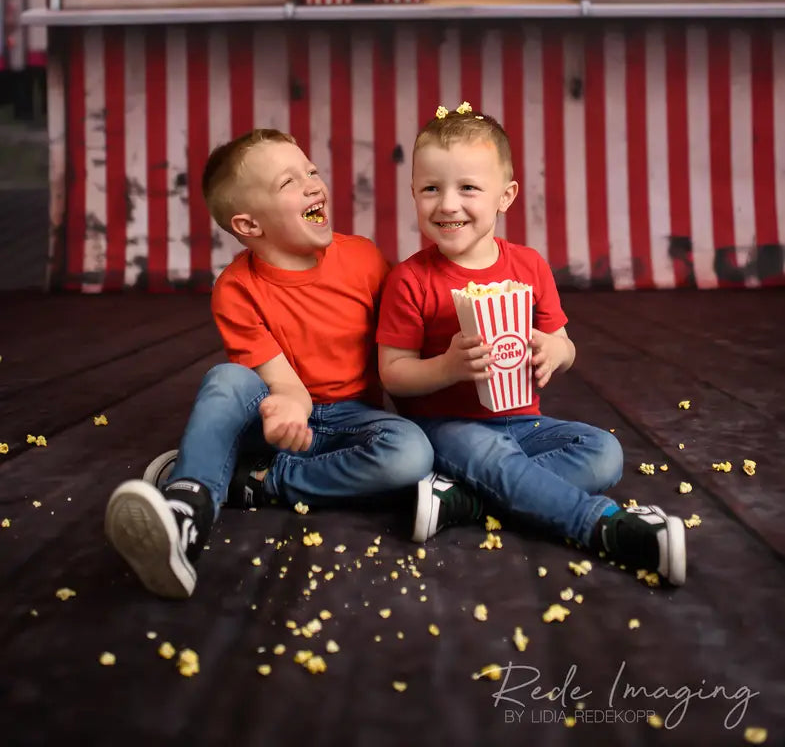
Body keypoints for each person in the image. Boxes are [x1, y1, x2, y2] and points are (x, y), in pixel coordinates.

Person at [104, 129, 434, 599]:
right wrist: (290, 408)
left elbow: (400, 344)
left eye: (311, 171)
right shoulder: (236, 288)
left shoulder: (363, 259)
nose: (312, 183)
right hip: (277, 416)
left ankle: (256, 482)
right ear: (250, 225)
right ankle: (187, 506)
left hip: (352, 420)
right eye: (288, 182)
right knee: (227, 378)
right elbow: (282, 384)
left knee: (411, 453)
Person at [377, 104, 686, 585]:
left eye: (468, 188)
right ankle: (606, 528)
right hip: (448, 427)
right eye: (431, 188)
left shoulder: (529, 266)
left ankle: (464, 501)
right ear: (413, 193)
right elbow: (392, 372)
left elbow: (564, 344)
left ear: (506, 196)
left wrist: (556, 352)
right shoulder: (410, 279)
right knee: (494, 461)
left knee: (603, 451)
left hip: (524, 422)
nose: (448, 204)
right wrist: (446, 367)